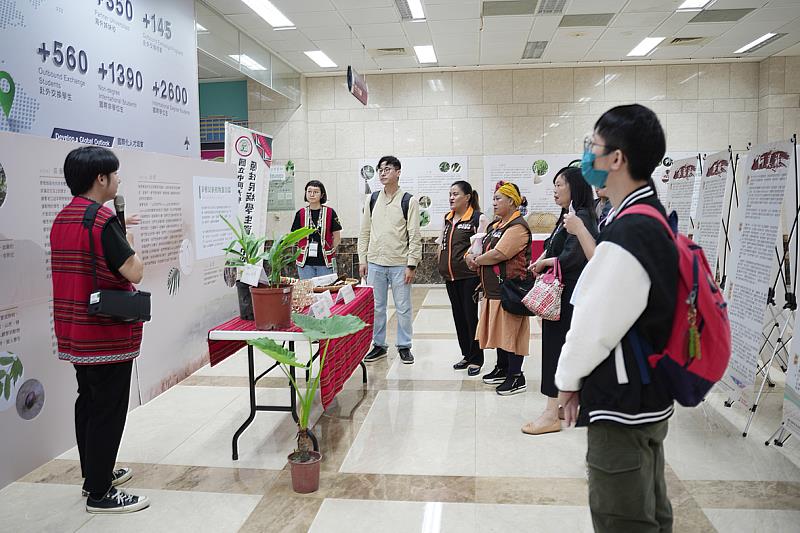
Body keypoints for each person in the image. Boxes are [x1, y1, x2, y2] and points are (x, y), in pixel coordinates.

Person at [556, 104, 678, 532]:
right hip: (649, 393)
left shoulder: (630, 230)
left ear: (618, 159)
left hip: (624, 401)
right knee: (651, 508)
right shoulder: (651, 216)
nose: (588, 156)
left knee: (622, 517)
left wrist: (568, 383)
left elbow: (594, 323)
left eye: (593, 147)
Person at [50, 146, 150, 514]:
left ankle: (94, 473)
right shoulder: (102, 219)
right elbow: (134, 272)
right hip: (105, 332)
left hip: (76, 330)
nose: (119, 179)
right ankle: (100, 492)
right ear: (100, 179)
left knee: (88, 402)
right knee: (108, 408)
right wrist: (127, 240)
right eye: (115, 174)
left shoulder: (63, 217)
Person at [522, 167, 598, 435]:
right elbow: (557, 249)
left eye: (560, 185)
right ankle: (566, 405)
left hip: (570, 296)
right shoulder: (566, 216)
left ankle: (550, 413)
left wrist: (545, 262)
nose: (555, 190)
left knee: (555, 351)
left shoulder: (583, 217)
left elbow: (574, 257)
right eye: (553, 184)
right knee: (562, 351)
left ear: (574, 187)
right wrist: (542, 259)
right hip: (563, 293)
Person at [466, 182, 531, 395]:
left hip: (511, 288)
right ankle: (502, 368)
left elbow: (500, 253)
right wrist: (471, 256)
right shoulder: (496, 225)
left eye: (498, 199)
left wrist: (477, 260)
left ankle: (516, 376)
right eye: (493, 199)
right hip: (494, 289)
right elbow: (481, 245)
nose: (493, 203)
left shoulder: (518, 227)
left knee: (511, 332)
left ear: (512, 201)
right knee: (500, 330)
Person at [359, 155, 422, 365]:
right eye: (381, 170)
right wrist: (362, 259)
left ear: (398, 172)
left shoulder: (409, 200)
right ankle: (379, 345)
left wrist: (411, 264)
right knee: (377, 307)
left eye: (387, 169)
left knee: (403, 307)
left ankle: (404, 345)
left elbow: (414, 235)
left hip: (400, 263)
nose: (383, 173)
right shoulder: (372, 199)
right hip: (375, 262)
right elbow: (364, 231)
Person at [438, 181, 487, 376]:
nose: (451, 197)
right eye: (450, 193)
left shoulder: (477, 218)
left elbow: (482, 246)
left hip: (469, 276)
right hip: (450, 276)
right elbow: (442, 244)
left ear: (467, 197)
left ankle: (477, 358)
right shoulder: (448, 218)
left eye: (456, 194)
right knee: (459, 317)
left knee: (470, 317)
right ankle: (466, 354)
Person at [292, 180, 342, 279]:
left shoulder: (330, 212)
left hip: (325, 262)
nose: (312, 194)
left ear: (322, 194)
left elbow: (337, 237)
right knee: (308, 292)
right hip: (305, 263)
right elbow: (294, 237)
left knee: (325, 292)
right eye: (309, 191)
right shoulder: (300, 213)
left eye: (316, 192)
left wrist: (331, 249)